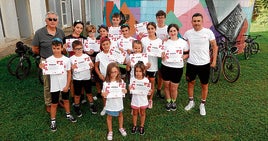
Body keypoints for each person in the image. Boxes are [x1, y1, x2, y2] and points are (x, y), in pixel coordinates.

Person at [183, 13, 218, 116]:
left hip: (204, 64)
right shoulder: (188, 33)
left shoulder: (208, 32)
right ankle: (191, 102)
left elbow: (215, 47)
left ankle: (202, 104)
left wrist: (214, 61)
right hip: (191, 63)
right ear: (191, 22)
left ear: (202, 21)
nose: (196, 23)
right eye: (194, 21)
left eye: (198, 21)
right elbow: (181, 44)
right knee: (191, 83)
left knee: (204, 85)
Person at [39, 38, 76, 131]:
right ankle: (53, 120)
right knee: (54, 103)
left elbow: (69, 73)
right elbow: (45, 70)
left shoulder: (66, 60)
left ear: (62, 48)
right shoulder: (48, 60)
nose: (56, 50)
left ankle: (68, 114)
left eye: (58, 48)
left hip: (64, 84)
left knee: (66, 100)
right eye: (54, 48)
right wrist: (41, 66)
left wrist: (67, 85)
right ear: (52, 48)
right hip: (54, 85)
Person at [32, 11, 65, 113]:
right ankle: (49, 103)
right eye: (50, 19)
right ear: (46, 20)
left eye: (54, 19)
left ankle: (58, 100)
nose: (52, 21)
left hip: (59, 60)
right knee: (47, 84)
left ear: (57, 21)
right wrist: (42, 57)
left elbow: (63, 46)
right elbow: (35, 48)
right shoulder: (39, 33)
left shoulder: (60, 32)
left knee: (59, 81)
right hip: (46, 60)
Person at [161, 24, 189, 111]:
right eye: (170, 31)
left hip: (177, 67)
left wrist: (181, 57)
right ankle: (168, 101)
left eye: (174, 31)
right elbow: (161, 53)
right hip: (166, 66)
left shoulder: (183, 43)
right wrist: (162, 56)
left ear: (177, 31)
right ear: (168, 32)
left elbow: (187, 54)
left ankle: (174, 101)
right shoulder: (164, 42)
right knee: (166, 86)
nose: (172, 33)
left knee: (174, 87)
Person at [70, 40, 97, 116]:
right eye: (77, 49)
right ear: (73, 49)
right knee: (77, 94)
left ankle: (92, 105)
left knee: (89, 93)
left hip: (86, 78)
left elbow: (91, 67)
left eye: (80, 48)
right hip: (77, 79)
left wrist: (92, 66)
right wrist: (72, 68)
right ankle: (77, 106)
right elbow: (70, 71)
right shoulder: (71, 58)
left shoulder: (86, 56)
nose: (79, 50)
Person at [63, 20, 87, 105]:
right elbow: (63, 53)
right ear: (73, 27)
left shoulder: (84, 39)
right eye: (77, 27)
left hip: (81, 62)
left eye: (81, 28)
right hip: (71, 61)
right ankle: (73, 97)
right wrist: (64, 48)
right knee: (72, 80)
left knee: (82, 79)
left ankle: (82, 96)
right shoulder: (66, 38)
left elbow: (86, 51)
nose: (79, 30)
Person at [101, 62, 127, 140]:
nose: (114, 73)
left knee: (120, 114)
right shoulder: (106, 83)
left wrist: (125, 91)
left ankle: (121, 127)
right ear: (108, 72)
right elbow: (103, 93)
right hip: (110, 103)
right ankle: (110, 131)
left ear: (118, 71)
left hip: (119, 102)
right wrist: (104, 94)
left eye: (115, 71)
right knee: (109, 117)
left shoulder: (121, 81)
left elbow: (124, 91)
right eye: (112, 72)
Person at [141, 22, 162, 109]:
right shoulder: (143, 40)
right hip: (144, 65)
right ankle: (143, 99)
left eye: (152, 28)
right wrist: (144, 65)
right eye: (148, 28)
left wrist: (161, 54)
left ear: (155, 29)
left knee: (151, 82)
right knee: (144, 82)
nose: (150, 30)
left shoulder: (159, 41)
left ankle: (150, 99)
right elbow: (141, 52)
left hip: (153, 65)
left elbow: (160, 53)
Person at [129, 61, 150, 135]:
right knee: (135, 113)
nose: (138, 73)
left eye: (140, 71)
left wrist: (149, 92)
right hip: (135, 100)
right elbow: (130, 89)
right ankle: (134, 125)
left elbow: (148, 90)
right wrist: (130, 88)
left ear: (143, 71)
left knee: (142, 113)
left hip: (143, 100)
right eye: (136, 71)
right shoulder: (132, 79)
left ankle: (141, 126)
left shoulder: (146, 80)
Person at [95, 37, 115, 116]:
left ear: (110, 44)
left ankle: (113, 106)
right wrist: (99, 74)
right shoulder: (99, 55)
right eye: (103, 45)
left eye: (107, 44)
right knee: (104, 92)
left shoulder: (114, 53)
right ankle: (105, 107)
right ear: (101, 46)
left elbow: (119, 64)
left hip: (113, 76)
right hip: (104, 77)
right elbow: (96, 66)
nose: (106, 46)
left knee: (113, 91)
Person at [155, 10, 168, 99]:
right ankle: (148, 90)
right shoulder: (153, 27)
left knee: (161, 73)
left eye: (162, 17)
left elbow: (172, 39)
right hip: (152, 54)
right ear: (156, 18)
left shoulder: (168, 28)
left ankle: (159, 90)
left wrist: (167, 40)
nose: (160, 19)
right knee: (150, 73)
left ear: (165, 18)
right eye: (159, 17)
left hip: (162, 54)